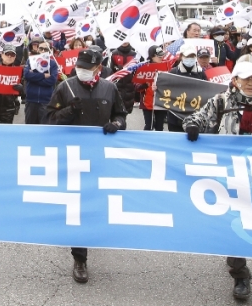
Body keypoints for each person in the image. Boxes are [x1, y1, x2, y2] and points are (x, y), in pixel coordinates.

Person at [183, 61, 252, 301]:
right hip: (226, 171)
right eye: (246, 79)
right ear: (235, 81)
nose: (251, 83)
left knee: (249, 219)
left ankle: (236, 257)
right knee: (233, 219)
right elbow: (198, 118)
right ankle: (240, 272)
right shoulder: (220, 101)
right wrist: (192, 126)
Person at [47, 46, 127, 284]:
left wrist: (117, 124)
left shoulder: (110, 88)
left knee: (97, 202)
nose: (81, 71)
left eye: (86, 68)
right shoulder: (65, 87)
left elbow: (122, 114)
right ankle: (79, 257)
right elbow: (49, 120)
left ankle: (94, 234)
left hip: (101, 155)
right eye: (78, 67)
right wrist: (69, 112)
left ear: (98, 69)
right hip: (74, 156)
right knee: (78, 205)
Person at [167, 44, 208, 132]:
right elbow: (165, 90)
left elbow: (207, 91)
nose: (190, 59)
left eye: (192, 56)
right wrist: (157, 87)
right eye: (187, 56)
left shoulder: (201, 73)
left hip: (195, 117)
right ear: (181, 56)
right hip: (175, 117)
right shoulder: (173, 72)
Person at [23, 40, 58, 125]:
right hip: (31, 101)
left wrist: (34, 77)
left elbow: (52, 80)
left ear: (50, 51)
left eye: (46, 49)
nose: (43, 51)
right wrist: (43, 76)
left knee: (44, 128)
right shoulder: (30, 61)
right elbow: (27, 75)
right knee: (30, 127)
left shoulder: (53, 64)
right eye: (41, 48)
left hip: (46, 102)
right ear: (37, 49)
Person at [136, 45, 169, 131]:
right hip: (147, 103)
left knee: (159, 127)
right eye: (159, 56)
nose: (161, 57)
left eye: (162, 55)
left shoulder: (166, 67)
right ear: (152, 56)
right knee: (149, 126)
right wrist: (146, 85)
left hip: (161, 102)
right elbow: (136, 87)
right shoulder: (143, 67)